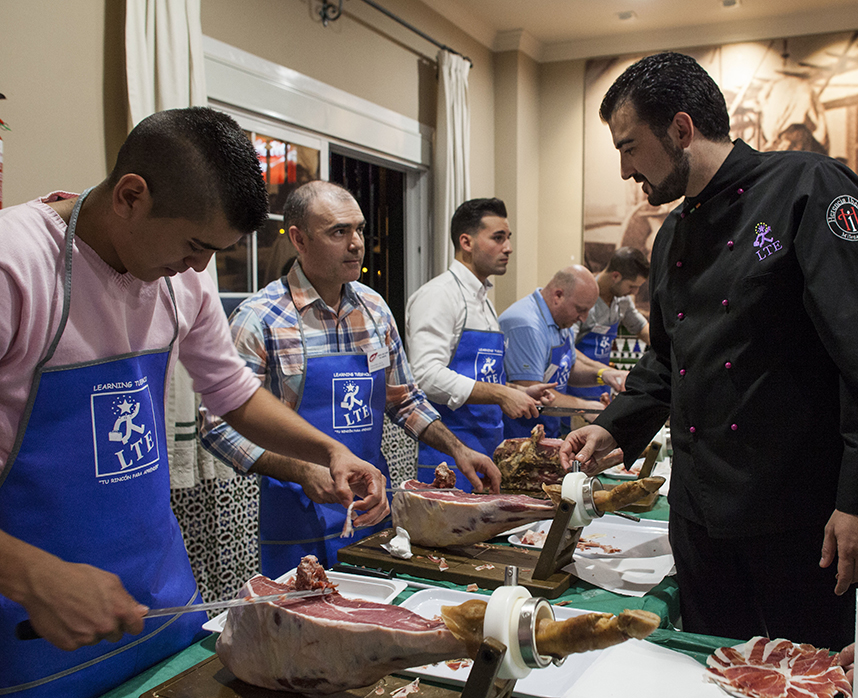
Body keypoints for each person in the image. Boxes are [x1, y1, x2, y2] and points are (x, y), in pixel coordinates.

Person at [0, 108, 389, 698]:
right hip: (28, 621)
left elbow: (232, 395)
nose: (201, 268)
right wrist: (36, 579)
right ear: (131, 196)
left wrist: (328, 448)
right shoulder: (15, 265)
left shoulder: (182, 277)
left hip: (156, 600)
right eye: (194, 244)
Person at [561, 52, 858, 650]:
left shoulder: (809, 188)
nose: (624, 170)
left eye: (628, 147)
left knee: (813, 676)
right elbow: (666, 363)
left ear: (679, 128)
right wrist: (614, 431)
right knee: (713, 670)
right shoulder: (672, 233)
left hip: (802, 520)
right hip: (699, 518)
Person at [201, 181, 500, 577]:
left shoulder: (375, 309)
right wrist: (303, 471)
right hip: (298, 516)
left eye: (358, 229)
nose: (356, 243)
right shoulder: (260, 319)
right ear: (299, 240)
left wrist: (457, 449)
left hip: (371, 506)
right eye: (338, 232)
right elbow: (217, 424)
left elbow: (404, 399)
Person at [405, 198, 551, 490]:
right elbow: (425, 376)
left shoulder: (483, 302)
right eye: (498, 238)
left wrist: (517, 392)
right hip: (447, 458)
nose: (508, 248)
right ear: (466, 242)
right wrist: (500, 394)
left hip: (487, 451)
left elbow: (480, 376)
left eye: (508, 238)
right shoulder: (439, 296)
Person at [499, 265, 627, 439]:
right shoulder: (527, 325)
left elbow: (568, 371)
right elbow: (534, 395)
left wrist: (603, 375)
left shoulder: (560, 320)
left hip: (547, 432)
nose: (583, 318)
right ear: (558, 295)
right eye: (581, 309)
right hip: (518, 437)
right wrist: (586, 408)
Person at [567, 246, 651, 403]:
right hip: (575, 386)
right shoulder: (583, 296)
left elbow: (641, 328)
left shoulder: (623, 300)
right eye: (632, 286)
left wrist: (669, 348)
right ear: (616, 276)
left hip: (602, 385)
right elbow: (567, 347)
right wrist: (606, 372)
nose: (635, 292)